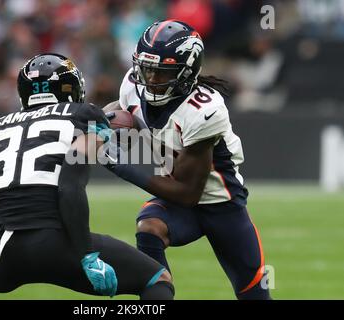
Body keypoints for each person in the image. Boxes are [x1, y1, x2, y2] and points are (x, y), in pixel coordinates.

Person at [0, 53, 173, 300]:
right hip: (56, 242)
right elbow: (69, 186)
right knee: (157, 280)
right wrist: (87, 256)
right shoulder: (84, 115)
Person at [103, 20, 271, 300]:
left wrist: (120, 166)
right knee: (149, 228)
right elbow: (120, 112)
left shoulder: (204, 110)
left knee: (254, 295)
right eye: (147, 69)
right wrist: (100, 121)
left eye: (161, 73)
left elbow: (188, 193)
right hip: (176, 197)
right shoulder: (134, 85)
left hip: (221, 204)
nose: (150, 80)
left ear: (186, 71)